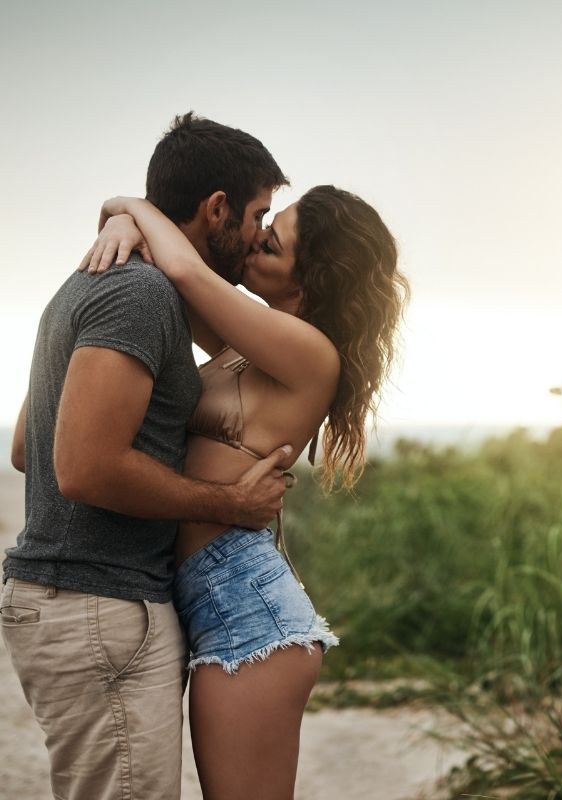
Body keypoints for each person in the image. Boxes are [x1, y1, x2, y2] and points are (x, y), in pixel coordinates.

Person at [80, 183, 410, 799]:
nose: (252, 245)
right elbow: (173, 275)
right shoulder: (249, 346)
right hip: (219, 603)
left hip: (247, 614)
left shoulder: (309, 352)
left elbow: (182, 267)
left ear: (312, 277)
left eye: (272, 243)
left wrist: (129, 204)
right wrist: (120, 223)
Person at [1, 113, 293, 800]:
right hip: (99, 603)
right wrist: (231, 504)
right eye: (258, 214)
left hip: (82, 602)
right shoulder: (138, 294)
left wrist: (123, 213)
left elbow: (25, 448)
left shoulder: (106, 282)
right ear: (216, 207)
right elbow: (82, 468)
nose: (258, 235)